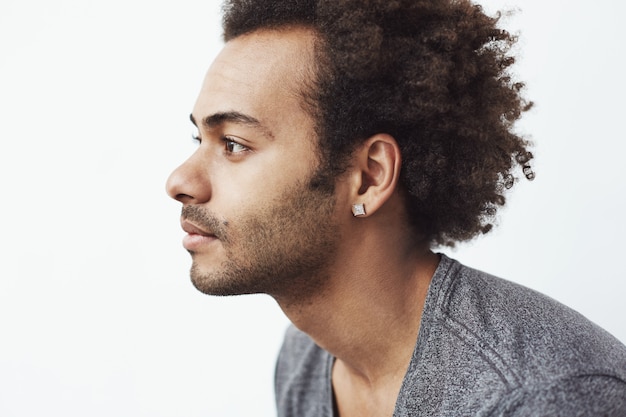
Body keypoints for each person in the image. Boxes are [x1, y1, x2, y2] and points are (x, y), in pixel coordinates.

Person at [166, 0, 626, 415]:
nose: (180, 182)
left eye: (233, 144)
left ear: (369, 177)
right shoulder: (305, 361)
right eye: (198, 138)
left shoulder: (543, 397)